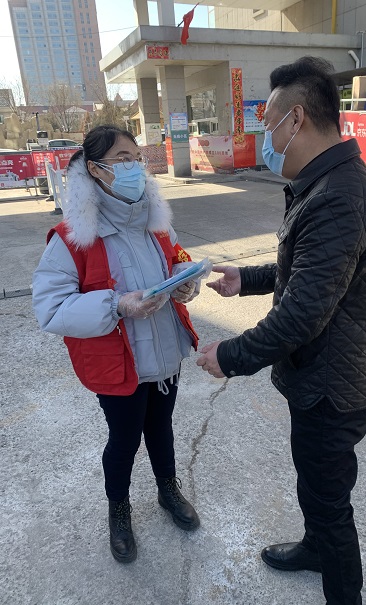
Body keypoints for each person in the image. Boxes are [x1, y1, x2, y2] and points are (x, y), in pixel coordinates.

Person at [197, 57, 366, 605]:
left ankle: (342, 591)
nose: (268, 139)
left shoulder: (336, 197)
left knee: (330, 502)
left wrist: (231, 355)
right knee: (315, 483)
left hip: (333, 385)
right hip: (326, 373)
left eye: (269, 125)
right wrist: (249, 279)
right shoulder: (331, 181)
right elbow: (312, 271)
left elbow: (303, 312)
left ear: (297, 119)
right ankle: (314, 548)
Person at [33, 125, 201, 564]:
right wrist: (116, 305)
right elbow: (50, 308)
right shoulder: (73, 237)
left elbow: (178, 259)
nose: (134, 168)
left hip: (164, 352)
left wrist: (185, 283)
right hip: (118, 363)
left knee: (161, 428)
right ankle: (119, 512)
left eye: (136, 159)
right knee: (124, 440)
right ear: (95, 169)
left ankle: (167, 490)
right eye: (122, 160)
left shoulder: (155, 221)